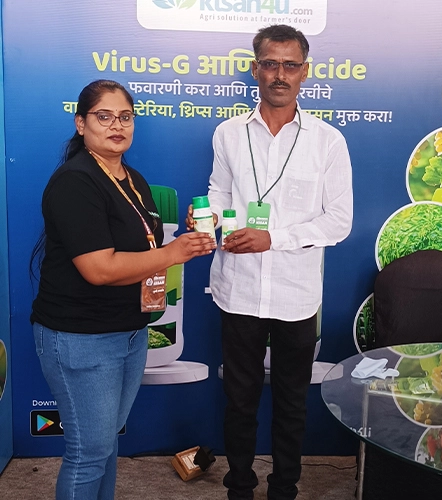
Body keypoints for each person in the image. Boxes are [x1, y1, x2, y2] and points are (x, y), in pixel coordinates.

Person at [186, 25, 353, 500]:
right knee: (238, 399)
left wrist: (273, 239)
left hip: (296, 295)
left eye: (290, 65)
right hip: (237, 287)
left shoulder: (328, 141)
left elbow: (338, 222)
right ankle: (239, 485)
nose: (280, 74)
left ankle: (284, 488)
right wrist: (206, 216)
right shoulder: (228, 133)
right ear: (255, 68)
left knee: (291, 401)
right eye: (270, 63)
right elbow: (220, 192)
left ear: (305, 71)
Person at [30, 79, 216, 500]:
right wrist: (173, 253)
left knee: (105, 446)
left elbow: (143, 245)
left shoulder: (133, 179)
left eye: (125, 117)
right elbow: (99, 269)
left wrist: (182, 236)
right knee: (88, 453)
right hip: (80, 337)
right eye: (104, 116)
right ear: (81, 123)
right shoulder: (75, 182)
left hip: (129, 331)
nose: (117, 125)